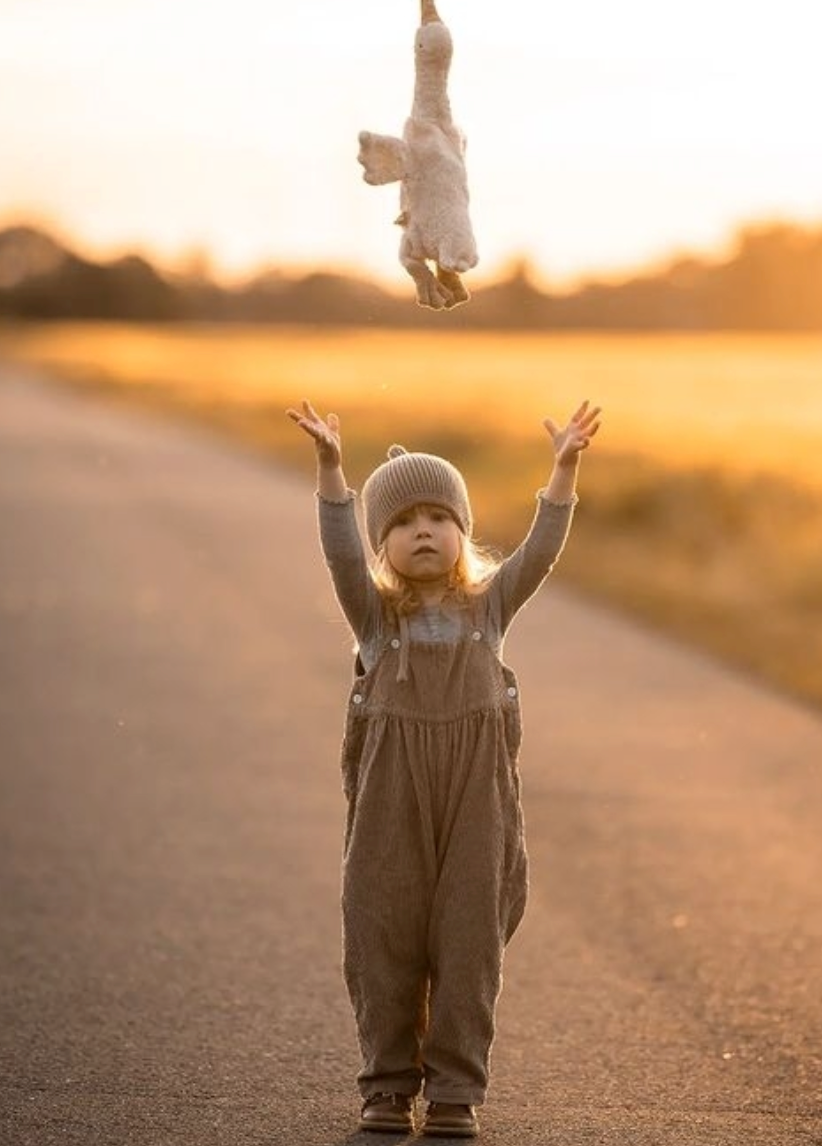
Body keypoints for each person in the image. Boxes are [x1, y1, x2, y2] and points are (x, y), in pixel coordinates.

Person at [286, 398, 601, 1138]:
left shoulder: (488, 611)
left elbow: (540, 552)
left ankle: (457, 1089)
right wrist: (334, 472)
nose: (421, 530)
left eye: (438, 517)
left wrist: (563, 473)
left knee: (468, 937)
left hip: (474, 800)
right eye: (401, 522)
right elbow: (337, 554)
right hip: (393, 799)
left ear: (462, 532)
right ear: (381, 544)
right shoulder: (375, 620)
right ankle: (388, 1087)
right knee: (383, 929)